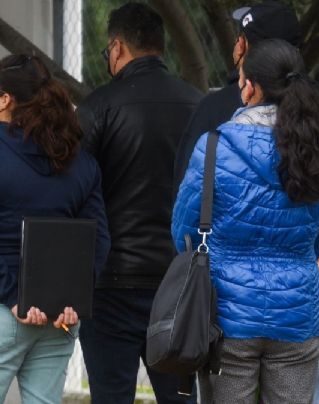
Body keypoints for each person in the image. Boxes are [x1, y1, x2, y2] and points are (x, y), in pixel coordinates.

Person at [173, 38, 319, 404]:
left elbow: (183, 230)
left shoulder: (214, 146)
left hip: (226, 314)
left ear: (249, 87)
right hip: (297, 311)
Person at [75, 3, 202, 403]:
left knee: (110, 396)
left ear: (117, 48)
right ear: (160, 47)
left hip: (110, 281)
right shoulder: (199, 106)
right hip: (181, 281)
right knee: (179, 397)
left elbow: (74, 193)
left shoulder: (98, 108)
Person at [0, 54, 110, 404]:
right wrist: (73, 299)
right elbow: (99, 239)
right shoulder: (78, 160)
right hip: (60, 319)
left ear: (5, 99)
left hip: (6, 311)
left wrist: (12, 295)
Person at [173, 0, 319, 196]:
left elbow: (185, 192)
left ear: (245, 47)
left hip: (226, 225)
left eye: (241, 38)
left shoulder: (213, 109)